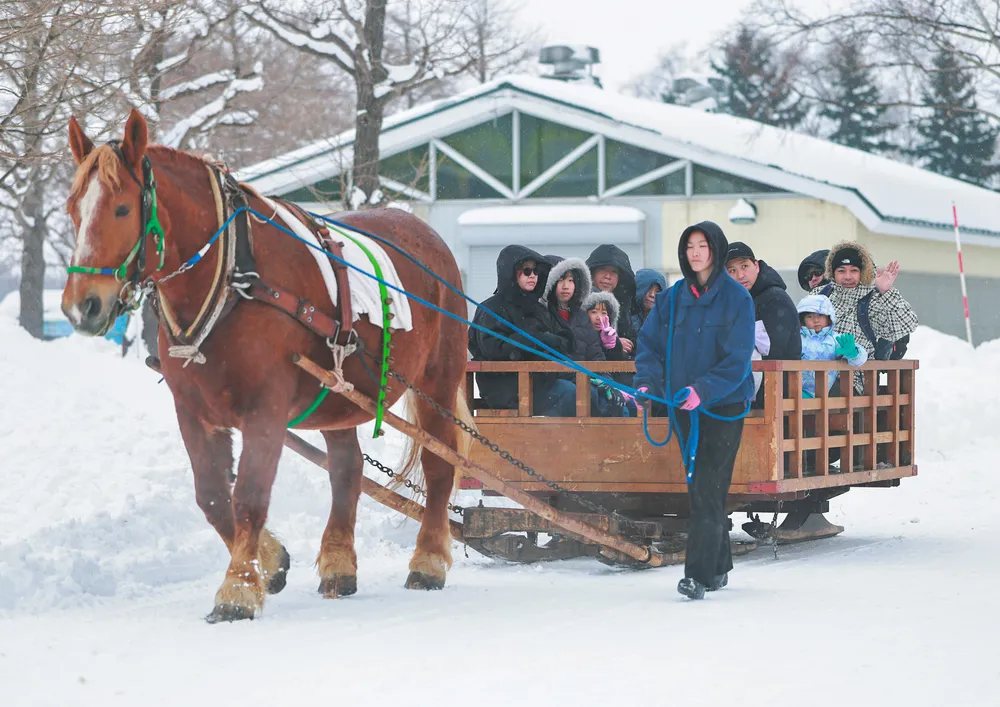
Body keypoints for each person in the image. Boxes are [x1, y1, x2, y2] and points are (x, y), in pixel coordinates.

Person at [634, 221, 755, 601]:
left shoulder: (737, 299)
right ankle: (720, 566)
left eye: (703, 245)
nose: (696, 252)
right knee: (702, 486)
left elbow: (738, 360)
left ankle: (697, 575)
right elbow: (650, 346)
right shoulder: (671, 299)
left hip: (725, 406)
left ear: (715, 250)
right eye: (690, 246)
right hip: (681, 404)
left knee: (707, 484)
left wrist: (703, 389)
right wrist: (647, 385)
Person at [468, 245, 576, 416]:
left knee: (592, 393)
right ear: (511, 273)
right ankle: (556, 440)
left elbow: (566, 339)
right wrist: (532, 340)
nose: (532, 275)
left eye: (535, 271)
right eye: (526, 271)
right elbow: (491, 348)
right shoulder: (492, 308)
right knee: (572, 394)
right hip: (506, 388)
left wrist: (551, 341)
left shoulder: (539, 307)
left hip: (542, 381)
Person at [812, 241, 918, 390]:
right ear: (832, 272)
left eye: (854, 270)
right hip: (811, 375)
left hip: (852, 382)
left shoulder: (873, 300)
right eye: (841, 271)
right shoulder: (820, 295)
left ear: (862, 272)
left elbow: (907, 325)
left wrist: (886, 292)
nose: (847, 276)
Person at [725, 242, 801, 362]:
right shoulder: (735, 303)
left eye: (744, 266)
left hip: (778, 378)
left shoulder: (775, 299)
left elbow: (773, 351)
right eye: (732, 271)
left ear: (756, 266)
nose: (740, 275)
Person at [797, 294, 868, 398]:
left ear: (829, 317)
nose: (815, 320)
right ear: (802, 320)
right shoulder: (798, 338)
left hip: (819, 393)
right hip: (794, 387)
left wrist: (853, 352)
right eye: (809, 316)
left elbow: (860, 360)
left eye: (820, 315)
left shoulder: (835, 340)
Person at [540, 256, 604, 362]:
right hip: (557, 376)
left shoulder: (582, 317)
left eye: (570, 280)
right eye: (560, 280)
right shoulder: (543, 315)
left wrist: (603, 378)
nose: (566, 286)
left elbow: (596, 354)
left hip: (583, 377)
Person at [586, 244, 637, 354]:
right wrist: (616, 344)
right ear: (592, 272)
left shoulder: (624, 306)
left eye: (614, 272)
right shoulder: (579, 303)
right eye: (603, 269)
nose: (608, 276)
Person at [631, 268, 667, 346]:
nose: (652, 295)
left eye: (657, 291)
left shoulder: (665, 320)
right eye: (648, 289)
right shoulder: (624, 317)